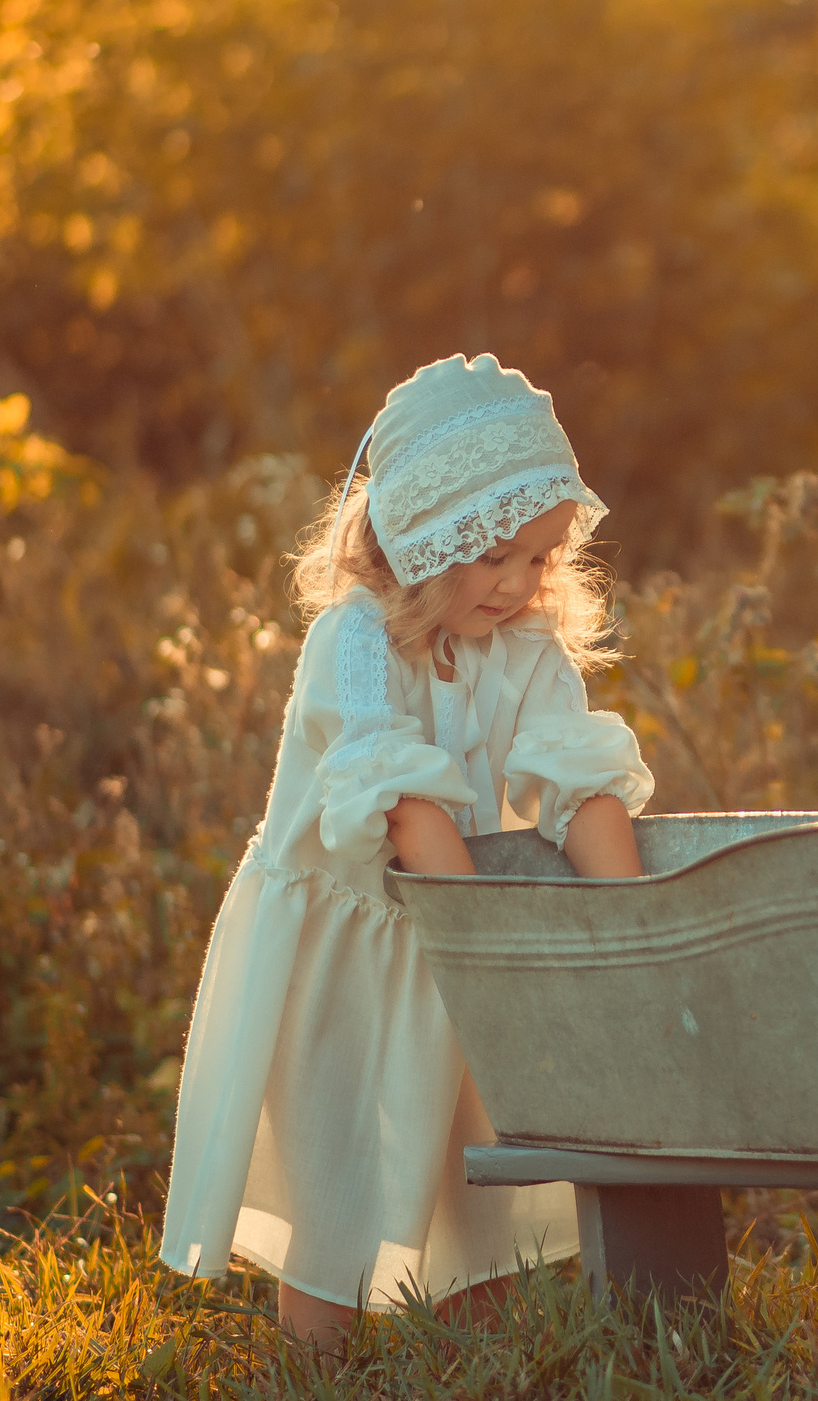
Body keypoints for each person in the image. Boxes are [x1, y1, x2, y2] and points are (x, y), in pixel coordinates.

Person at [159, 353, 653, 1350]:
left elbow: (576, 781)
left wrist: (632, 927)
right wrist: (485, 954)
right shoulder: (354, 640)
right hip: (348, 942)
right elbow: (406, 808)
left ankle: (473, 1368)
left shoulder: (522, 648)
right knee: (333, 1171)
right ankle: (316, 1372)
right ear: (424, 536)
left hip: (449, 933)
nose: (519, 583)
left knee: (471, 1184)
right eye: (494, 555)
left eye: (540, 558)